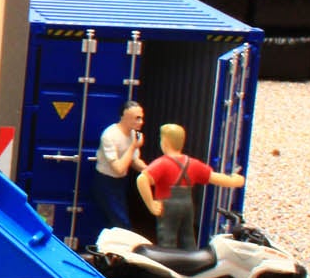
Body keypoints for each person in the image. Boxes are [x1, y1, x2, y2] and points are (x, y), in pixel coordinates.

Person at [137, 122, 245, 250]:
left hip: (168, 206)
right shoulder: (192, 163)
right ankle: (192, 259)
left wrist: (151, 204)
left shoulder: (162, 163)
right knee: (188, 237)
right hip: (187, 205)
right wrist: (235, 181)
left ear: (165, 142)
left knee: (167, 238)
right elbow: (214, 177)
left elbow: (142, 179)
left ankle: (169, 261)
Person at [90, 103, 147, 237]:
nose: (141, 122)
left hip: (120, 183)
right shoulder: (110, 135)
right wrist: (133, 146)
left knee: (117, 220)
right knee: (121, 223)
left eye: (141, 118)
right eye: (137, 118)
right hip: (105, 182)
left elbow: (134, 161)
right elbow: (118, 169)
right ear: (124, 117)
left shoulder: (133, 134)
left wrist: (150, 171)